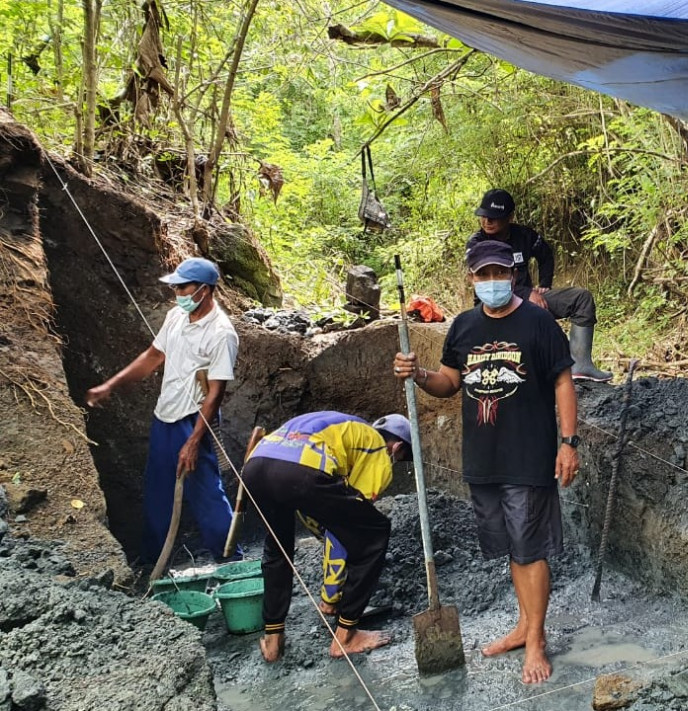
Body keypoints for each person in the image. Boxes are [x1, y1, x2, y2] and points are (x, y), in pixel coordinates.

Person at [394, 239, 579, 684]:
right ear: (472, 279)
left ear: (512, 275)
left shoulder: (539, 323)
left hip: (528, 456)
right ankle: (522, 627)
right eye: (484, 275)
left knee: (530, 550)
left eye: (499, 273)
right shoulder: (463, 327)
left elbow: (563, 382)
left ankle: (536, 639)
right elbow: (450, 382)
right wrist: (418, 374)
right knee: (513, 549)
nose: (492, 281)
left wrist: (569, 442)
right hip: (483, 459)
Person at [86, 257, 241, 563]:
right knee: (158, 493)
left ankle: (229, 561)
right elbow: (153, 356)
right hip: (164, 417)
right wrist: (111, 385)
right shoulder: (175, 317)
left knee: (206, 493)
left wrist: (193, 441)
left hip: (195, 421)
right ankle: (153, 562)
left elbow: (215, 393)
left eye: (183, 287)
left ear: (205, 291)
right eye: (176, 288)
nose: (177, 294)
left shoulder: (222, 334)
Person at [242, 411, 411, 662]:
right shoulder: (377, 448)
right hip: (300, 471)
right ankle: (346, 636)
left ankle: (273, 640)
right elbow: (345, 532)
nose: (393, 463)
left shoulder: (346, 429)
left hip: (257, 465)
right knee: (373, 533)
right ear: (396, 447)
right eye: (399, 458)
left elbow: (323, 518)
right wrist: (330, 597)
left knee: (278, 547)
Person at [465, 188, 613, 382]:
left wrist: (544, 285)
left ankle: (581, 365)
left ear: (510, 217)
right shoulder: (477, 244)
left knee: (580, 298)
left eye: (494, 217)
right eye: (484, 216)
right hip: (494, 308)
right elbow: (489, 281)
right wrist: (527, 294)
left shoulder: (524, 236)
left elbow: (546, 255)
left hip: (530, 303)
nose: (487, 221)